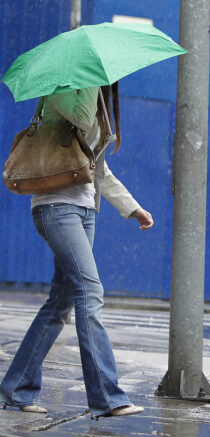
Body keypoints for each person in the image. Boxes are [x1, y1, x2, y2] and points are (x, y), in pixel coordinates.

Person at [0, 85, 154, 417]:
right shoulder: (65, 92)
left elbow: (98, 167)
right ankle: (106, 397)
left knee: (61, 302)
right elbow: (82, 120)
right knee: (90, 290)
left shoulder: (94, 97)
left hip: (85, 211)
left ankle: (16, 389)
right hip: (56, 207)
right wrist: (89, 83)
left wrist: (132, 208)